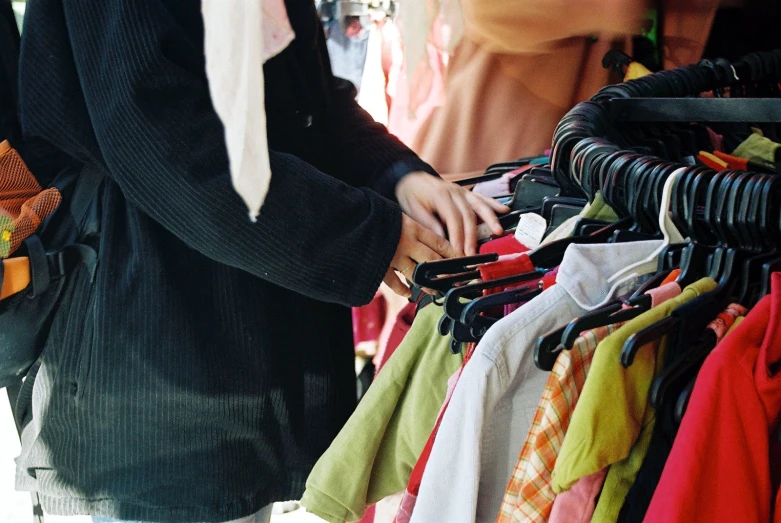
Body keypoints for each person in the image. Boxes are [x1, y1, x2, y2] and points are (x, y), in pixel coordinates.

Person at [14, 1, 507, 522]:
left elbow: (304, 97)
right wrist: (366, 236)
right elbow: (161, 140)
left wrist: (396, 173)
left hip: (244, 340)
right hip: (154, 342)